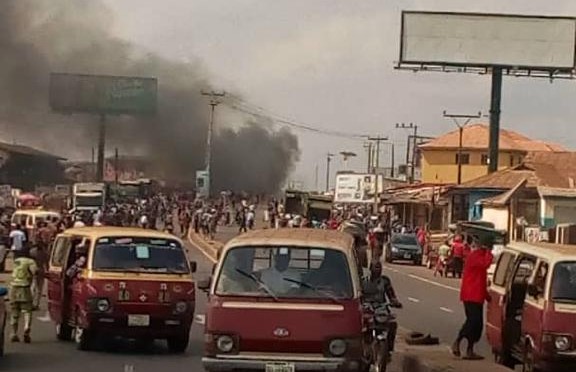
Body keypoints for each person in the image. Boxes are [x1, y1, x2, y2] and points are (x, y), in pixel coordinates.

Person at [452, 235, 493, 360]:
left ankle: (470, 349)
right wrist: (489, 252)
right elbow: (486, 263)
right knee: (472, 321)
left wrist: (487, 296)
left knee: (477, 325)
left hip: (477, 296)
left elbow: (480, 281)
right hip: (470, 296)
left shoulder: (478, 256)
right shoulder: (474, 257)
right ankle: (458, 341)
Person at [363, 261, 402, 354]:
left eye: (380, 267)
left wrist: (395, 302)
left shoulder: (385, 281)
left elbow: (391, 294)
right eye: (376, 267)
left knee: (392, 324)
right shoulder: (363, 281)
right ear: (370, 268)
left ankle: (389, 349)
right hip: (366, 307)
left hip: (381, 308)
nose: (378, 270)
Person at [9, 249, 38, 343]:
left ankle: (14, 333)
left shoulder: (16, 261)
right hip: (24, 287)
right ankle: (26, 328)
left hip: (13, 287)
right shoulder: (30, 261)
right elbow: (35, 272)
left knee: (14, 311)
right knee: (27, 310)